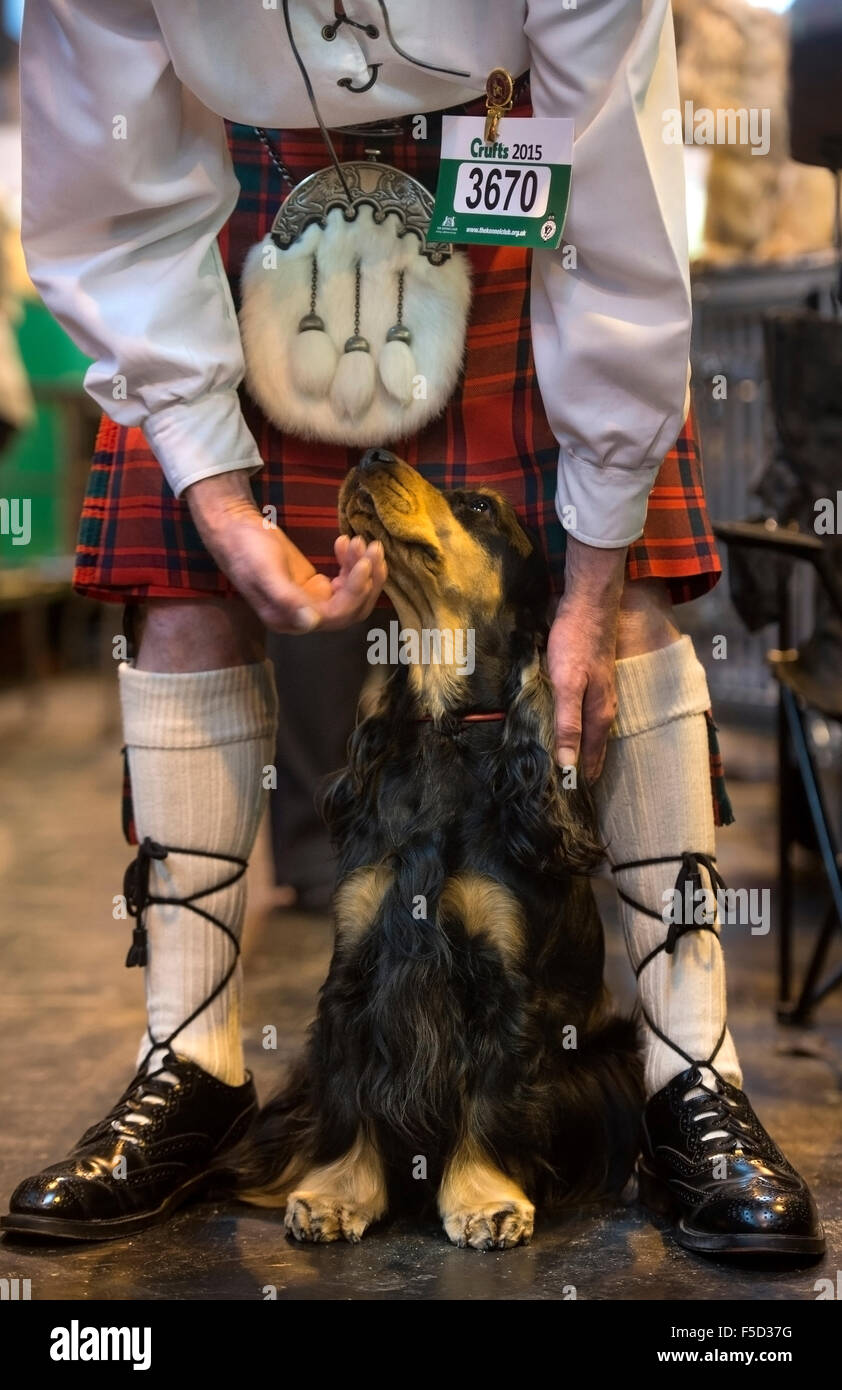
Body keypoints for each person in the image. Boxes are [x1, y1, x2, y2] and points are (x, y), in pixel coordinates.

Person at [4, 0, 823, 1256]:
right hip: (236, 180)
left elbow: (614, 203)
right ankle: (192, 1059)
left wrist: (589, 584)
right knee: (174, 591)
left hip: (508, 163)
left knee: (639, 587)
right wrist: (218, 501)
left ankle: (685, 1067)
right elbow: (106, 188)